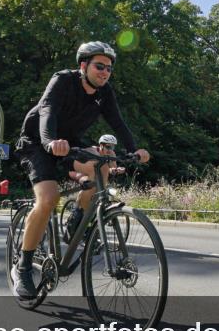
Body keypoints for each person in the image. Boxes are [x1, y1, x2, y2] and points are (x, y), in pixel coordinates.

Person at [12, 41, 150, 300]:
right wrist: (50, 142)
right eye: (100, 66)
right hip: (38, 143)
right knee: (49, 199)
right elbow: (47, 110)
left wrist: (135, 150)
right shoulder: (63, 80)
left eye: (109, 68)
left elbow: (118, 123)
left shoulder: (104, 93)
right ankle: (23, 267)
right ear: (84, 65)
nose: (105, 72)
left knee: (102, 163)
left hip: (70, 144)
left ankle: (76, 220)